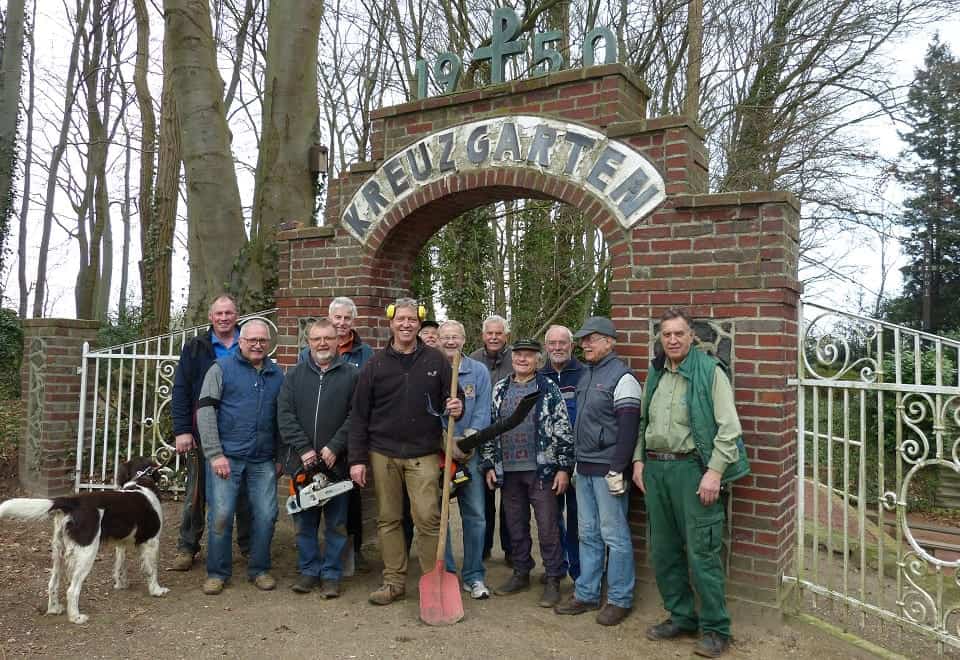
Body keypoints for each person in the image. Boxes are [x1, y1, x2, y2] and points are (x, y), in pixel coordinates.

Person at [632, 308, 750, 658]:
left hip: (693, 472)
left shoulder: (710, 371)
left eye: (679, 334)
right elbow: (643, 420)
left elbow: (729, 429)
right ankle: (681, 617)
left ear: (692, 337)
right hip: (657, 470)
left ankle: (716, 629)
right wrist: (639, 459)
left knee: (702, 552)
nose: (672, 340)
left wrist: (714, 472)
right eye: (666, 334)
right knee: (664, 551)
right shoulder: (655, 372)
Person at [348, 298, 463, 606]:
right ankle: (394, 581)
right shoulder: (375, 364)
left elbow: (453, 399)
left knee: (427, 517)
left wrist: (456, 406)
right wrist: (357, 459)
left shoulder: (437, 361)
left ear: (420, 322)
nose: (406, 324)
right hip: (383, 452)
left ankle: (432, 581)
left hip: (422, 453)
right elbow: (359, 415)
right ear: (391, 322)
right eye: (401, 319)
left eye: (412, 319)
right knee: (388, 519)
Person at [554, 317, 641, 626]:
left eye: (591, 339)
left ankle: (620, 599)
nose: (584, 344)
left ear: (609, 341)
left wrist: (618, 469)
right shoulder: (587, 375)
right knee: (587, 534)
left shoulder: (623, 378)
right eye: (583, 339)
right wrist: (576, 463)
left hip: (608, 471)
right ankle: (587, 593)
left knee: (614, 536)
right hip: (585, 467)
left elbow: (629, 429)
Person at [481, 338, 573, 608]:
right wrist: (489, 464)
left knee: (548, 526)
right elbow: (490, 428)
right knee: (515, 525)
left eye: (529, 356)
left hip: (541, 470)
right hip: (508, 471)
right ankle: (521, 571)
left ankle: (554, 577)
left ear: (538, 360)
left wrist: (564, 468)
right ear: (513, 358)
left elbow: (563, 428)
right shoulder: (499, 389)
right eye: (519, 355)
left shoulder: (548, 388)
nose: (522, 359)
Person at [196, 319, 284, 595]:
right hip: (226, 458)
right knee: (221, 515)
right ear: (240, 341)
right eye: (252, 340)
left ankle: (259, 569)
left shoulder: (277, 375)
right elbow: (205, 412)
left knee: (267, 515)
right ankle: (217, 572)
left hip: (262, 459)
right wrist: (214, 453)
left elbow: (283, 419)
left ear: (268, 344)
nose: (257, 345)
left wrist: (280, 455)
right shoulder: (220, 369)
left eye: (262, 341)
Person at [170, 294, 251, 571]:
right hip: (203, 432)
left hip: (241, 433)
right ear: (210, 317)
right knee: (196, 493)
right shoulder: (195, 348)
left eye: (229, 313)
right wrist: (182, 430)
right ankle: (187, 546)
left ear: (237, 315)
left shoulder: (250, 344)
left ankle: (249, 546)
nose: (224, 318)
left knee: (244, 494)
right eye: (219, 313)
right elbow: (180, 390)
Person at [278, 319, 358, 598]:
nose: (322, 343)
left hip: (337, 465)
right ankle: (309, 570)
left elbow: (356, 416)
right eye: (316, 339)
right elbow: (284, 415)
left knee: (336, 523)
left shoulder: (351, 375)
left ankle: (332, 574)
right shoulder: (294, 376)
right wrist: (304, 449)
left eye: (328, 338)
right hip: (303, 463)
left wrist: (335, 446)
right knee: (304, 523)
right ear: (308, 342)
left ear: (338, 341)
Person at [299, 296, 376, 574]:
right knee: (310, 507)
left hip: (346, 447)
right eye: (337, 318)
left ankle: (348, 556)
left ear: (353, 322)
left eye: (347, 318)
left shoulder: (365, 354)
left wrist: (341, 443)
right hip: (312, 447)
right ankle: (312, 563)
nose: (342, 323)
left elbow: (363, 402)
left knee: (348, 506)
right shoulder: (305, 357)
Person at [437, 320, 493, 600]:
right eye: (445, 337)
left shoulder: (478, 371)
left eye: (455, 337)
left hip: (469, 453)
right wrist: (446, 442)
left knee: (476, 516)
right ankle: (446, 573)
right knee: (441, 517)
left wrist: (468, 440)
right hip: (439, 454)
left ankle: (474, 575)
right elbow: (426, 411)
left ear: (463, 339)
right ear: (437, 339)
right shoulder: (431, 369)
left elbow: (483, 410)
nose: (450, 341)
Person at [539, 325, 584, 582]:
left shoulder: (584, 374)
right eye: (552, 343)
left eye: (562, 343)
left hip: (579, 463)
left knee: (579, 520)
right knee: (551, 520)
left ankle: (579, 572)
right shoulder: (539, 377)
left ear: (571, 345)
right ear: (546, 347)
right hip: (548, 462)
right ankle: (556, 568)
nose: (557, 348)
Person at [469, 314, 513, 564]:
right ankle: (483, 548)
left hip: (508, 437)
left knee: (510, 501)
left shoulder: (514, 358)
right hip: (482, 438)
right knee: (483, 498)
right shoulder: (474, 360)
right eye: (490, 333)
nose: (494, 337)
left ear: (506, 335)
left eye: (499, 333)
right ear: (483, 335)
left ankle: (510, 550)